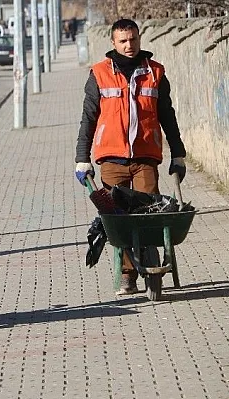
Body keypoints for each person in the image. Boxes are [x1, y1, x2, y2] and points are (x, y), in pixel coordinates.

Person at [74, 18, 187, 295]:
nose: (129, 45)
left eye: (133, 39)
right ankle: (127, 275)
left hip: (146, 157)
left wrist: (179, 154)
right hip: (111, 159)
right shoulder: (99, 74)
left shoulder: (155, 72)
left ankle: (152, 267)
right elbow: (88, 118)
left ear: (139, 38)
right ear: (113, 43)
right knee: (121, 219)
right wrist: (82, 157)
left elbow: (167, 116)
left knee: (149, 215)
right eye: (123, 40)